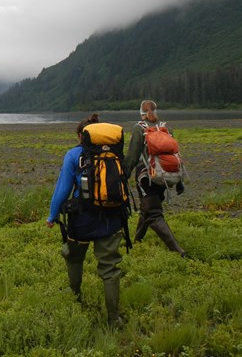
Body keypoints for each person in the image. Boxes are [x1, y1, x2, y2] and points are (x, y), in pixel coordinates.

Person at [46, 113, 126, 328]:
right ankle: (113, 318)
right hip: (112, 216)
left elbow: (63, 189)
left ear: (83, 135)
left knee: (73, 257)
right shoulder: (115, 154)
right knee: (109, 268)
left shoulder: (73, 155)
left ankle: (75, 296)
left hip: (81, 218)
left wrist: (52, 216)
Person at [124, 100, 188, 257]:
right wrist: (179, 181)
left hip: (147, 177)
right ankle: (136, 243)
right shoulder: (167, 127)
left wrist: (123, 176)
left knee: (153, 214)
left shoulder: (139, 128)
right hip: (164, 176)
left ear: (141, 112)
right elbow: (175, 155)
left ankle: (178, 251)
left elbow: (132, 156)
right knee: (147, 209)